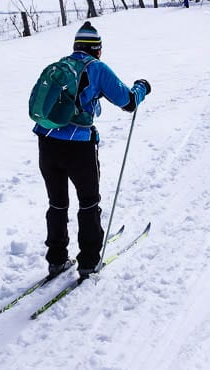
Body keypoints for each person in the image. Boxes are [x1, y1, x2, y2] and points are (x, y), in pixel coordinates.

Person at [33, 21, 150, 278]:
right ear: (96, 49)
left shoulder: (61, 66)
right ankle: (88, 262)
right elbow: (127, 101)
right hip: (79, 146)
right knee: (88, 202)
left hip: (47, 141)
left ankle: (56, 259)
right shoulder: (96, 68)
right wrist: (142, 88)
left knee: (57, 203)